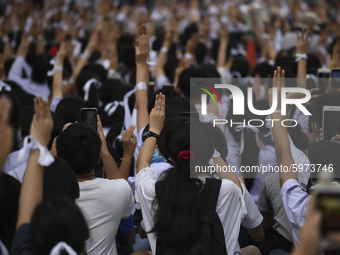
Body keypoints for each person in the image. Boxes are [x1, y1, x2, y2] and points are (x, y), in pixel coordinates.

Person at [56, 118, 135, 255]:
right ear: (98, 159)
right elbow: (122, 183)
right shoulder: (119, 191)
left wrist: (58, 146)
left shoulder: (50, 194)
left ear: (60, 156)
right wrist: (103, 148)